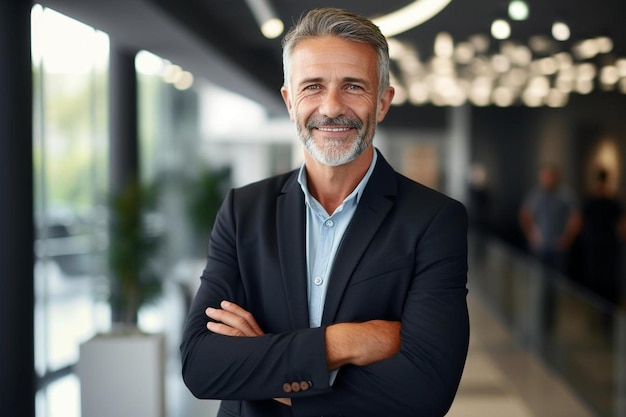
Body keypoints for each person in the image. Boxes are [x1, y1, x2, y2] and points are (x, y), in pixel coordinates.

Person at [180, 8, 469, 417]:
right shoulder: (242, 212)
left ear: (383, 101)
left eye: (353, 86)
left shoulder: (434, 221)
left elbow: (425, 393)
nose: (332, 107)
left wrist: (265, 372)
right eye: (312, 86)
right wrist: (345, 342)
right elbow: (201, 365)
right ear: (289, 101)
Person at [519, 163, 581, 273]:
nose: (547, 180)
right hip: (540, 247)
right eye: (545, 177)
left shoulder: (566, 195)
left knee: (558, 279)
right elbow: (525, 215)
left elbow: (575, 218)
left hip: (558, 248)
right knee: (538, 278)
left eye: (549, 176)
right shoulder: (536, 195)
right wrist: (531, 234)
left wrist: (567, 238)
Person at [580, 168, 626, 304]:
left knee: (607, 281)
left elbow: (622, 225)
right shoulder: (592, 202)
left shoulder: (612, 203)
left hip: (607, 247)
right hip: (596, 246)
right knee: (596, 280)